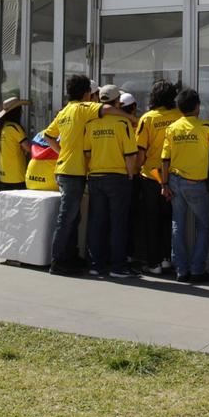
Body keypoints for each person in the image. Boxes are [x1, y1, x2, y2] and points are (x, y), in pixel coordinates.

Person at [42, 74, 136, 274]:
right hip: (74, 171)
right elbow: (108, 109)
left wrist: (63, 152)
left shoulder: (64, 111)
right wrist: (131, 117)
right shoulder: (83, 108)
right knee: (67, 217)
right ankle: (58, 260)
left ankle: (71, 257)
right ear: (86, 94)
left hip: (64, 169)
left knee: (74, 217)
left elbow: (47, 136)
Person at [160, 88, 209, 283]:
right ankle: (197, 269)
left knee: (177, 225)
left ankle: (181, 269)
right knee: (203, 226)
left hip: (173, 181)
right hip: (196, 184)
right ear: (197, 107)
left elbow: (165, 159)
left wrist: (164, 184)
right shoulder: (205, 127)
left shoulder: (172, 128)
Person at [83, 84, 139, 278]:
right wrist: (130, 175)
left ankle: (96, 265)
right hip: (118, 177)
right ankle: (118, 267)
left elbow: (87, 153)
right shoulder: (123, 124)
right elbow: (130, 155)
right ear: (117, 102)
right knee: (118, 223)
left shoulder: (91, 124)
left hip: (96, 177)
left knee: (97, 223)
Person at [133, 80, 181, 276]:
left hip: (152, 177)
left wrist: (135, 171)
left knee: (152, 221)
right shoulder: (179, 116)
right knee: (169, 220)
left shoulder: (148, 119)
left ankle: (154, 264)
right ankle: (167, 259)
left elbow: (141, 152)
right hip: (174, 176)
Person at [0, 97, 31, 191]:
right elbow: (28, 148)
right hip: (16, 176)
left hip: (4, 176)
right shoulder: (14, 128)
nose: (22, 112)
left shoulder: (2, 128)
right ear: (16, 112)